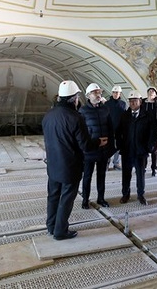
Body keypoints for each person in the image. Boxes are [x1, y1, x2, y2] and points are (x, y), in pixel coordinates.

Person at [42, 80, 107, 240]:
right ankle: (60, 231)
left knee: (53, 196)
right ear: (74, 98)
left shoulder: (48, 115)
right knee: (66, 199)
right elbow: (85, 145)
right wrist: (98, 142)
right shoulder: (75, 117)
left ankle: (51, 226)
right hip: (70, 166)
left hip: (53, 165)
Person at [116, 90, 156, 205]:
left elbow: (152, 132)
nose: (132, 103)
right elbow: (118, 132)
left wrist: (149, 147)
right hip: (127, 150)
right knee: (126, 174)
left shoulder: (147, 116)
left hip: (140, 150)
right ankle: (125, 194)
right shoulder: (124, 116)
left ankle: (141, 195)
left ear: (140, 102)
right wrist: (120, 144)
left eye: (135, 101)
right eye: (131, 101)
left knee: (140, 174)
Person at [79, 83, 115, 209]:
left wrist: (111, 146)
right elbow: (80, 132)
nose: (99, 95)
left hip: (103, 150)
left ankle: (101, 198)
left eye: (99, 92)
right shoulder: (83, 111)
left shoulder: (105, 109)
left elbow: (110, 129)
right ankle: (85, 199)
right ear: (88, 95)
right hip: (89, 150)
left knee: (102, 175)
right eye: (95, 92)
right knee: (87, 176)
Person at [104, 85, 127, 171]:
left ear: (120, 93)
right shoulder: (107, 104)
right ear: (112, 93)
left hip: (119, 129)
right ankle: (106, 163)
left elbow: (124, 117)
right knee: (108, 147)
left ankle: (116, 163)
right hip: (109, 129)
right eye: (114, 92)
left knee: (118, 147)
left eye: (117, 92)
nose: (116, 94)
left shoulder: (123, 104)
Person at [144, 86, 157, 177]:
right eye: (150, 91)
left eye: (153, 91)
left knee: (154, 151)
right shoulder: (143, 102)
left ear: (156, 94)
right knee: (144, 149)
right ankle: (143, 167)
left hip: (154, 129)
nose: (151, 92)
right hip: (144, 129)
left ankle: (154, 168)